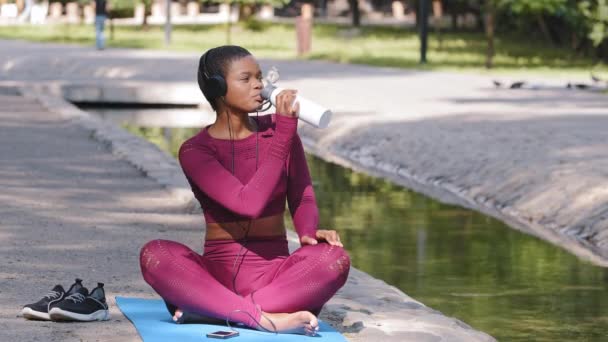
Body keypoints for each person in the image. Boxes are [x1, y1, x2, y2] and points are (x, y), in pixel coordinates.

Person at [139, 45, 350, 336]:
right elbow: (248, 203)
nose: (259, 85)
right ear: (218, 87)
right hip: (214, 277)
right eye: (246, 78)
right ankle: (263, 319)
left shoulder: (279, 129)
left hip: (275, 276)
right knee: (155, 254)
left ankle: (215, 312)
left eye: (260, 77)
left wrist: (308, 233)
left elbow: (302, 193)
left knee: (334, 259)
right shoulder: (196, 151)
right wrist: (285, 133)